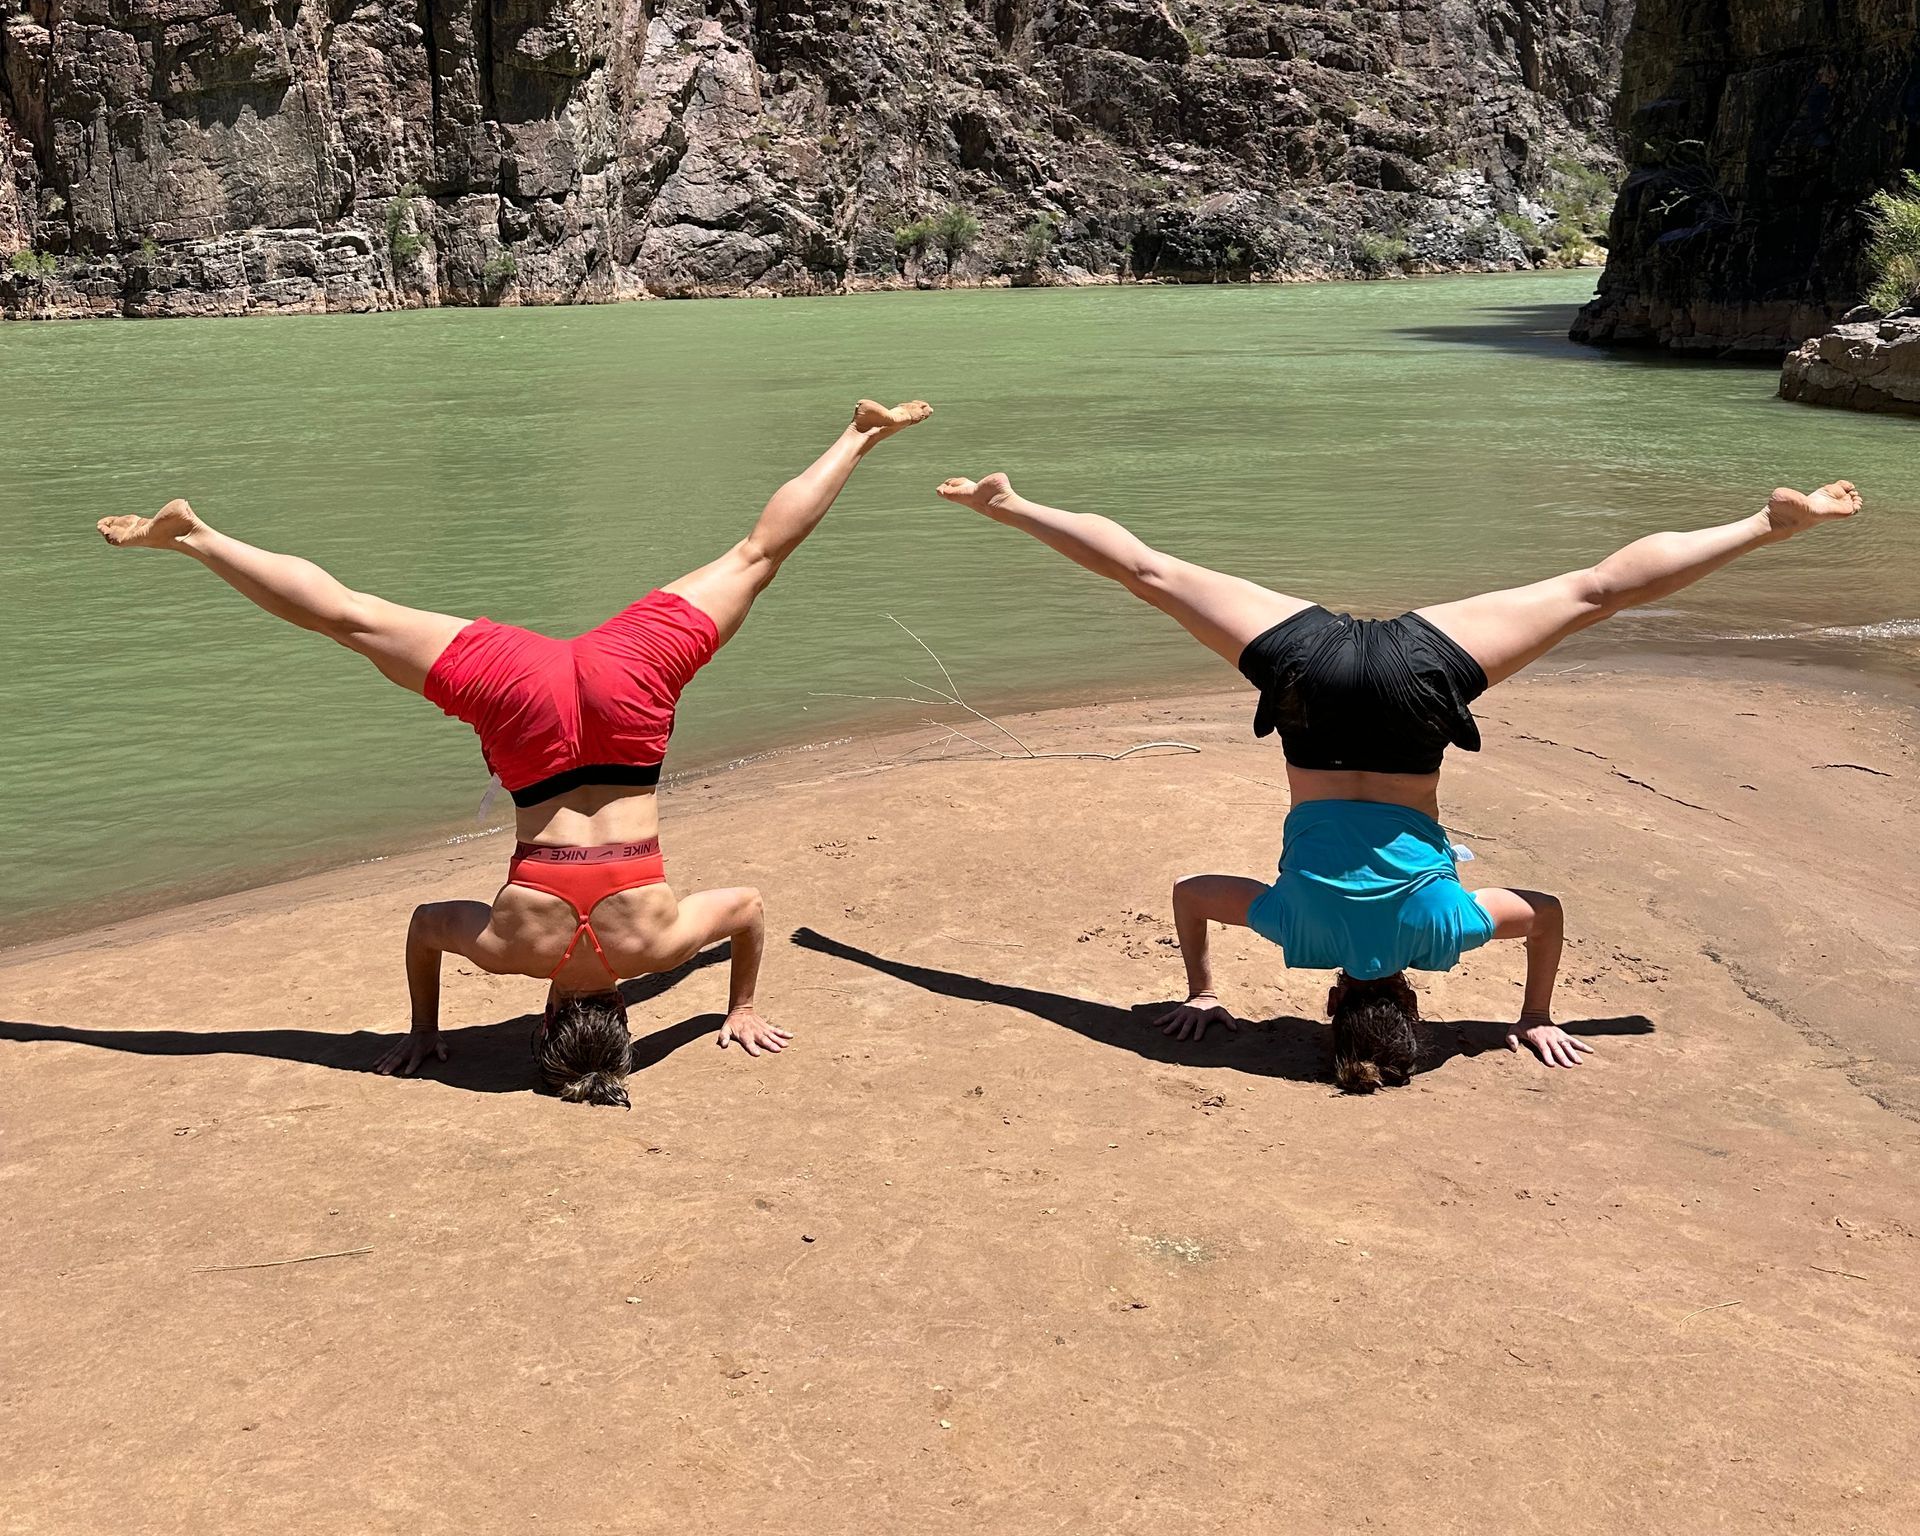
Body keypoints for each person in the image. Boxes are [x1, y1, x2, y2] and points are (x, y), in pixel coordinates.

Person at [98, 398, 932, 1106]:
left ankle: (859, 433)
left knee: (756, 557)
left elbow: (747, 911)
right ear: (548, 1019)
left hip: (626, 700)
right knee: (347, 618)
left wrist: (736, 1005)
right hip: (524, 715)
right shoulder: (510, 953)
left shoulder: (658, 944)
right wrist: (424, 1032)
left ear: (617, 1014)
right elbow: (426, 927)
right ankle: (195, 538)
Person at [934, 470, 1863, 1092]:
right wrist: (1203, 989)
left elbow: (1541, 912)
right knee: (1152, 573)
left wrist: (1531, 1014)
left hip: (1417, 702)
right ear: (1333, 999)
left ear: (1413, 1000)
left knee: (1592, 593)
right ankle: (1009, 504)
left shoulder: (1442, 935)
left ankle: (1764, 527)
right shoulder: (1296, 935)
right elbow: (1190, 894)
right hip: (1315, 687)